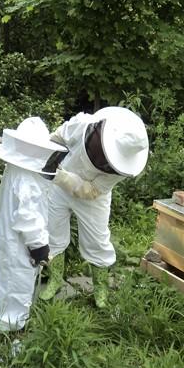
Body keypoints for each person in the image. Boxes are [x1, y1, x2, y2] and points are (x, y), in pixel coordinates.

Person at [40, 107, 148, 308]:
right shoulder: (81, 124)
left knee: (97, 241)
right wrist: (49, 160)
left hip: (92, 198)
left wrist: (62, 177)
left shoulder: (121, 168)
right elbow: (56, 138)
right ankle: (55, 280)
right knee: (52, 232)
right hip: (58, 186)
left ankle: (100, 287)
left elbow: (92, 190)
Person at [0, 117, 68, 332]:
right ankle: (11, 331)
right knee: (18, 284)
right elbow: (28, 218)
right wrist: (40, 247)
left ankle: (5, 323)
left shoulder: (15, 171)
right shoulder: (27, 180)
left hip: (9, 240)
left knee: (6, 282)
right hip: (20, 244)